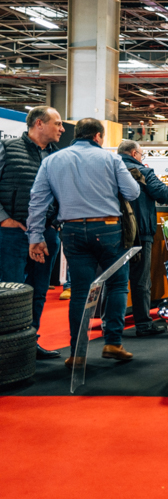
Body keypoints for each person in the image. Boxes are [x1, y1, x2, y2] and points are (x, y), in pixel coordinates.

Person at [27, 117, 141, 366]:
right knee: (117, 286)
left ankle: (77, 352)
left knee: (80, 291)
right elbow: (132, 192)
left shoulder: (52, 160)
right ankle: (113, 342)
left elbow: (37, 201)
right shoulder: (111, 159)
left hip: (72, 230)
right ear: (98, 136)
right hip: (109, 228)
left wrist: (35, 236)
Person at [0, 106, 65, 360]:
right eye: (57, 123)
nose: (62, 129)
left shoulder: (57, 156)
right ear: (39, 123)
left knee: (39, 291)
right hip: (12, 235)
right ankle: (8, 351)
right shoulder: (7, 148)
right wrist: (4, 220)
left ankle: (29, 343)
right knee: (12, 292)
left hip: (47, 235)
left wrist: (55, 224)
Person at [118, 139, 168, 337]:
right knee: (141, 279)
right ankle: (143, 324)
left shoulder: (108, 168)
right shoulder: (143, 171)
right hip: (140, 231)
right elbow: (165, 194)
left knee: (115, 280)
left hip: (112, 230)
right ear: (134, 153)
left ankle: (111, 325)